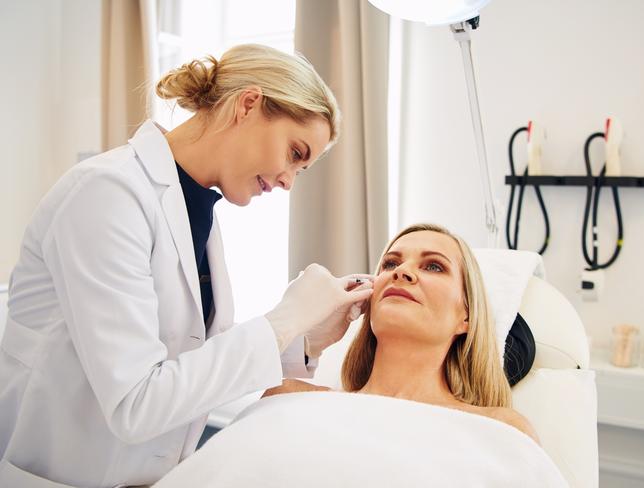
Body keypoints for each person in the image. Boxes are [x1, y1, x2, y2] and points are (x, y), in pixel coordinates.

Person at [0, 44, 373, 488]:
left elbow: (186, 361)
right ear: (248, 105)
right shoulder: (108, 193)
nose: (288, 182)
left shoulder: (197, 210)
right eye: (295, 153)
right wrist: (285, 318)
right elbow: (136, 403)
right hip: (54, 474)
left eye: (303, 169)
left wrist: (304, 340)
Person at [265, 223, 538, 443]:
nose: (403, 272)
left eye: (433, 266)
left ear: (466, 315)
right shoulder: (286, 397)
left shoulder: (501, 429)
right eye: (390, 264)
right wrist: (305, 339)